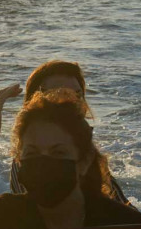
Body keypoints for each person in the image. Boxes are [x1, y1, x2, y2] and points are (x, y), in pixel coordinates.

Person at [0, 88, 141, 229]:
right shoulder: (10, 214)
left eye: (59, 153)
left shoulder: (119, 222)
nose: (44, 164)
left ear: (84, 161)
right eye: (32, 153)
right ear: (19, 160)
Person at [8, 61, 130, 205]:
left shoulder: (84, 150)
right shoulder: (27, 160)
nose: (74, 103)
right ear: (36, 102)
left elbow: (123, 212)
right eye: (61, 94)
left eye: (78, 95)